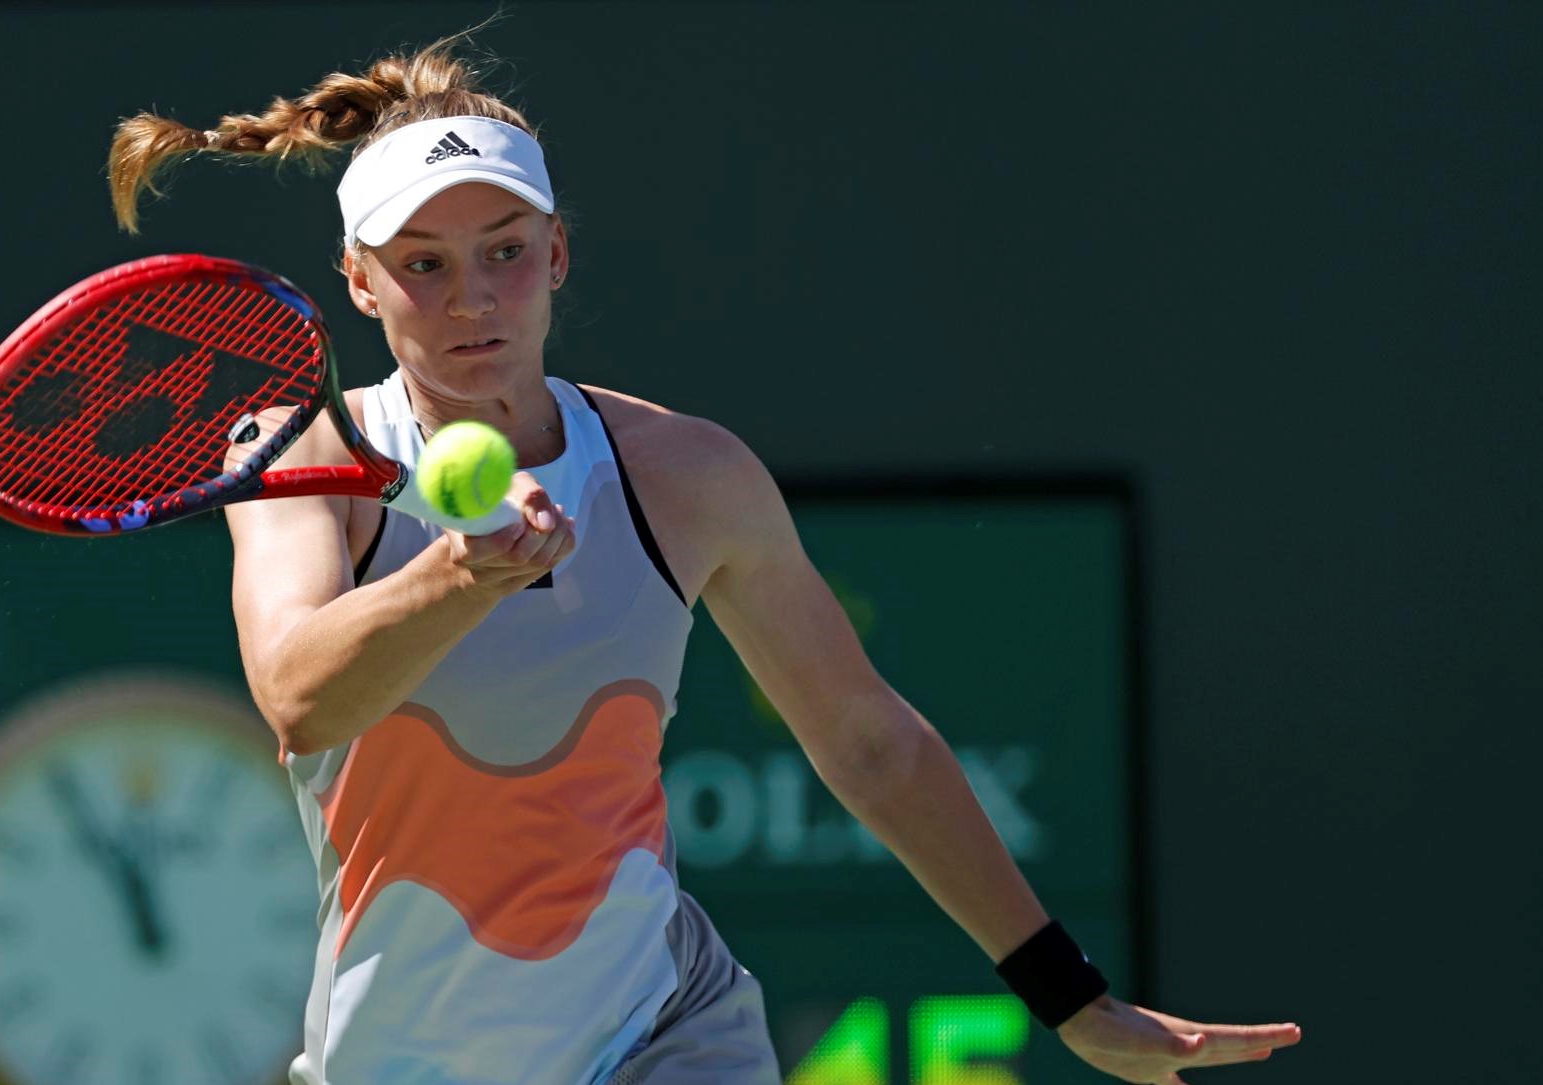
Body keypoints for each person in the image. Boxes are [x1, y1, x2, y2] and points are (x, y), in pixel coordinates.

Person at [107, 30, 1302, 1085]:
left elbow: (867, 741)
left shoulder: (687, 475)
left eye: (505, 250)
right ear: (360, 284)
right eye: (421, 264)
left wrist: (1070, 997)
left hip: (664, 1029)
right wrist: (458, 574)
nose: (472, 298)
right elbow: (300, 697)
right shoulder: (299, 452)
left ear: (559, 254)